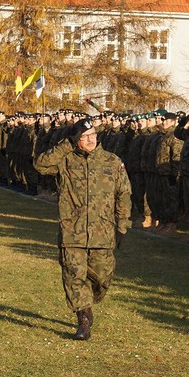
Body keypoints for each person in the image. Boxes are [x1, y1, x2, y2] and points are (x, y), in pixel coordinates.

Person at [34, 118, 131, 340]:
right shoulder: (65, 160)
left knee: (102, 278)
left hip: (102, 232)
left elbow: (123, 194)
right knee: (73, 276)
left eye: (94, 135)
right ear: (76, 140)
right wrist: (67, 144)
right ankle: (83, 319)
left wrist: (123, 225)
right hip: (72, 231)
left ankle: (89, 301)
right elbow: (40, 164)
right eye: (85, 137)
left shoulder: (112, 161)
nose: (91, 140)